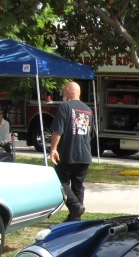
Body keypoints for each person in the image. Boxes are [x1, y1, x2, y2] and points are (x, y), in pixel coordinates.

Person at [49, 82, 94, 221]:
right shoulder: (88, 110)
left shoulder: (65, 107)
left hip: (68, 154)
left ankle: (75, 206)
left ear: (69, 91)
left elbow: (57, 130)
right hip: (84, 155)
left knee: (60, 182)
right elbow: (91, 133)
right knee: (78, 187)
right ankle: (75, 219)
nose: (63, 93)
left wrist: (53, 149)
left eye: (64, 90)